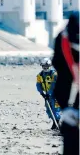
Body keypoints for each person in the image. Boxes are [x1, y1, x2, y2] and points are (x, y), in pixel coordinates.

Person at [51, 11, 78, 155]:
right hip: (68, 82)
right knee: (70, 129)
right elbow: (62, 80)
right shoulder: (62, 39)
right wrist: (66, 108)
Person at [35, 58, 61, 130]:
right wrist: (42, 93)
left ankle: (58, 123)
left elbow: (53, 85)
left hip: (55, 94)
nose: (45, 68)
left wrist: (49, 94)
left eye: (47, 66)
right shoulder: (40, 75)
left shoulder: (54, 74)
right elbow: (38, 85)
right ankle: (54, 122)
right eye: (44, 66)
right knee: (49, 109)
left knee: (56, 109)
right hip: (46, 95)